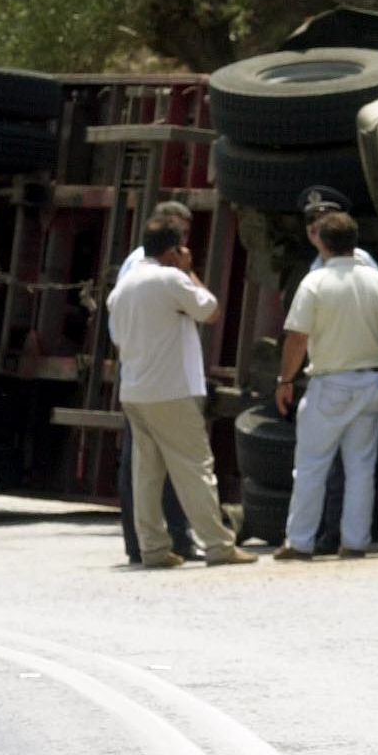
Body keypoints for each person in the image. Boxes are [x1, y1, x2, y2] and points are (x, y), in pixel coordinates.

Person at [105, 220, 254, 569]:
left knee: (147, 473)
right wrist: (189, 271)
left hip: (135, 390)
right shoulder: (170, 279)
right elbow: (211, 310)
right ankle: (218, 545)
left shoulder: (123, 288)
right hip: (171, 390)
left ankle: (153, 548)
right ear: (173, 250)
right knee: (195, 468)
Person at [272, 210, 378, 561]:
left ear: (322, 243)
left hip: (329, 382)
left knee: (312, 466)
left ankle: (300, 542)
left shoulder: (315, 283)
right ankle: (355, 541)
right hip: (370, 381)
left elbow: (297, 338)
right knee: (361, 468)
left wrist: (285, 379)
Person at [113, 200, 199, 563]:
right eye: (177, 235)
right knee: (149, 462)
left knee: (153, 462)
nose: (181, 244)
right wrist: (188, 272)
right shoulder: (152, 269)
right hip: (151, 371)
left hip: (148, 369)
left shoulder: (156, 269)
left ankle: (163, 541)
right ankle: (152, 542)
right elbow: (204, 306)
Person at [299, 186, 378, 273]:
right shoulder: (314, 267)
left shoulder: (362, 260)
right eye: (310, 219)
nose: (315, 224)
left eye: (324, 218)